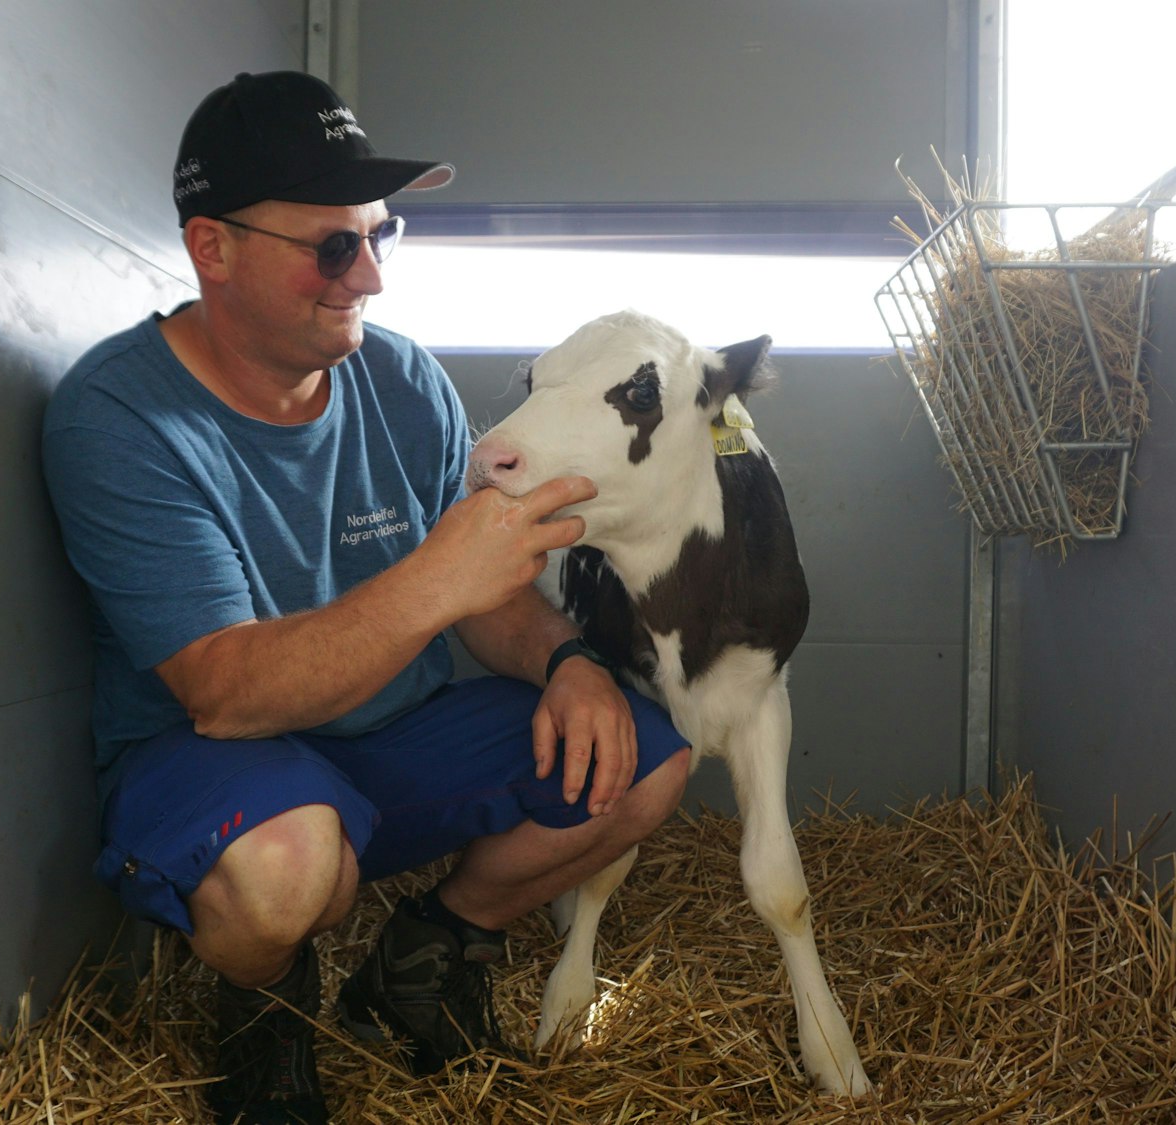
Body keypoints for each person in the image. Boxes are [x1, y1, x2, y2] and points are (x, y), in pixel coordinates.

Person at [40, 71, 693, 1124]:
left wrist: (567, 662)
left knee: (642, 757)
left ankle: (428, 950)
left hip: (391, 736)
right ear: (213, 247)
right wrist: (434, 577)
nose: (369, 279)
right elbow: (225, 693)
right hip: (219, 758)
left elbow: (484, 598)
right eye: (331, 247)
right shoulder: (118, 419)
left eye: (380, 237)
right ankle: (265, 1013)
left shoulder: (398, 378)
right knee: (288, 869)